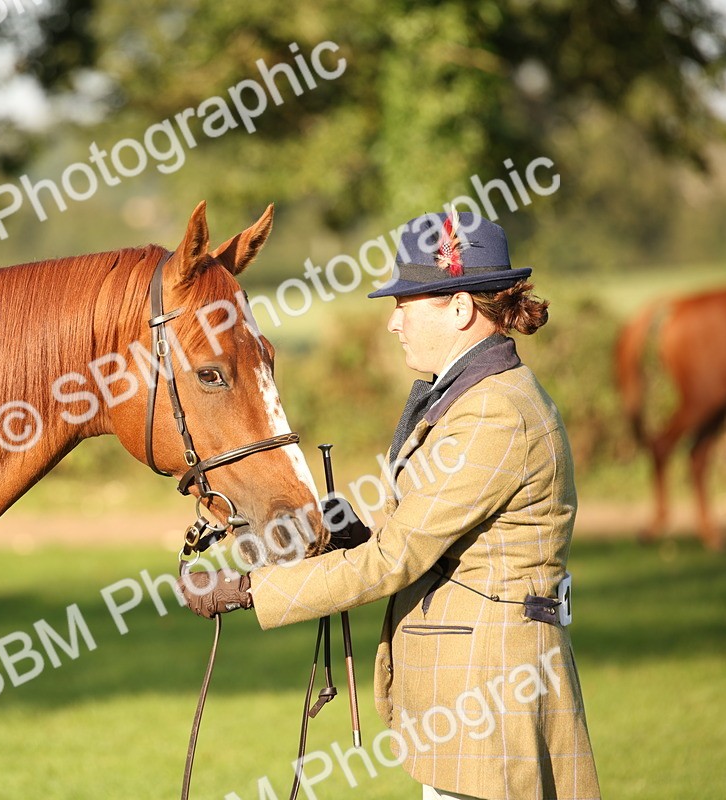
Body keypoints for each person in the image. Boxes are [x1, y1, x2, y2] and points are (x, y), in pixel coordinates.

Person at [181, 212, 600, 800]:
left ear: (459, 308)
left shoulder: (492, 412)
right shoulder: (473, 397)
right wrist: (353, 529)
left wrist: (249, 590)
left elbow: (395, 560)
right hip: (471, 693)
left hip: (490, 694)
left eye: (408, 302)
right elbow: (429, 530)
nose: (393, 321)